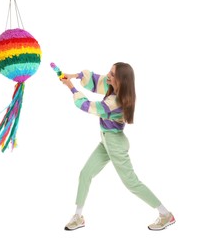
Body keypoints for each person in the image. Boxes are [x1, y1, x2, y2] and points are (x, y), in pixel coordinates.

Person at [60, 62, 175, 231]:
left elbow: (88, 106)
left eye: (112, 74)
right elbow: (97, 80)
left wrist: (71, 88)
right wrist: (74, 76)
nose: (108, 75)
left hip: (115, 144)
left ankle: (165, 214)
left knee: (132, 183)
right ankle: (78, 216)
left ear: (121, 81)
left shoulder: (116, 101)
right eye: (110, 71)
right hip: (106, 141)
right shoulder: (113, 87)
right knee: (85, 173)